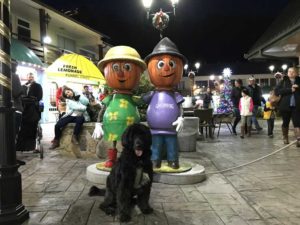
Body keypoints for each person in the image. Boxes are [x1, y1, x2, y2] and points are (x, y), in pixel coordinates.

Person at [275, 67, 300, 147]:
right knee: (286, 122)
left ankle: (298, 140)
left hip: (297, 106)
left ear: (296, 73)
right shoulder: (284, 81)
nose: (291, 73)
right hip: (285, 106)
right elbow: (277, 91)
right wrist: (290, 90)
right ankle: (285, 137)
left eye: (293, 72)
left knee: (297, 123)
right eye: (289, 71)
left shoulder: (299, 80)